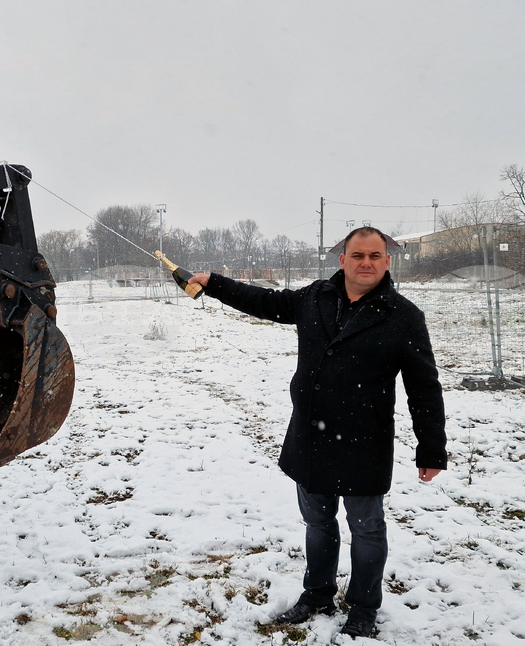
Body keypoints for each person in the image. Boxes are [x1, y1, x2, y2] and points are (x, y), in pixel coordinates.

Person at [188, 227, 447, 639]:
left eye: (375, 256)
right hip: (311, 437)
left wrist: (431, 449)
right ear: (341, 260)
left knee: (366, 528)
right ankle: (317, 595)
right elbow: (264, 302)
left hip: (365, 440)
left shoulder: (403, 316)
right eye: (358, 255)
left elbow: (424, 387)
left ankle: (364, 606)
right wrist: (215, 284)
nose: (366, 263)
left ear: (387, 261)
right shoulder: (315, 297)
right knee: (318, 523)